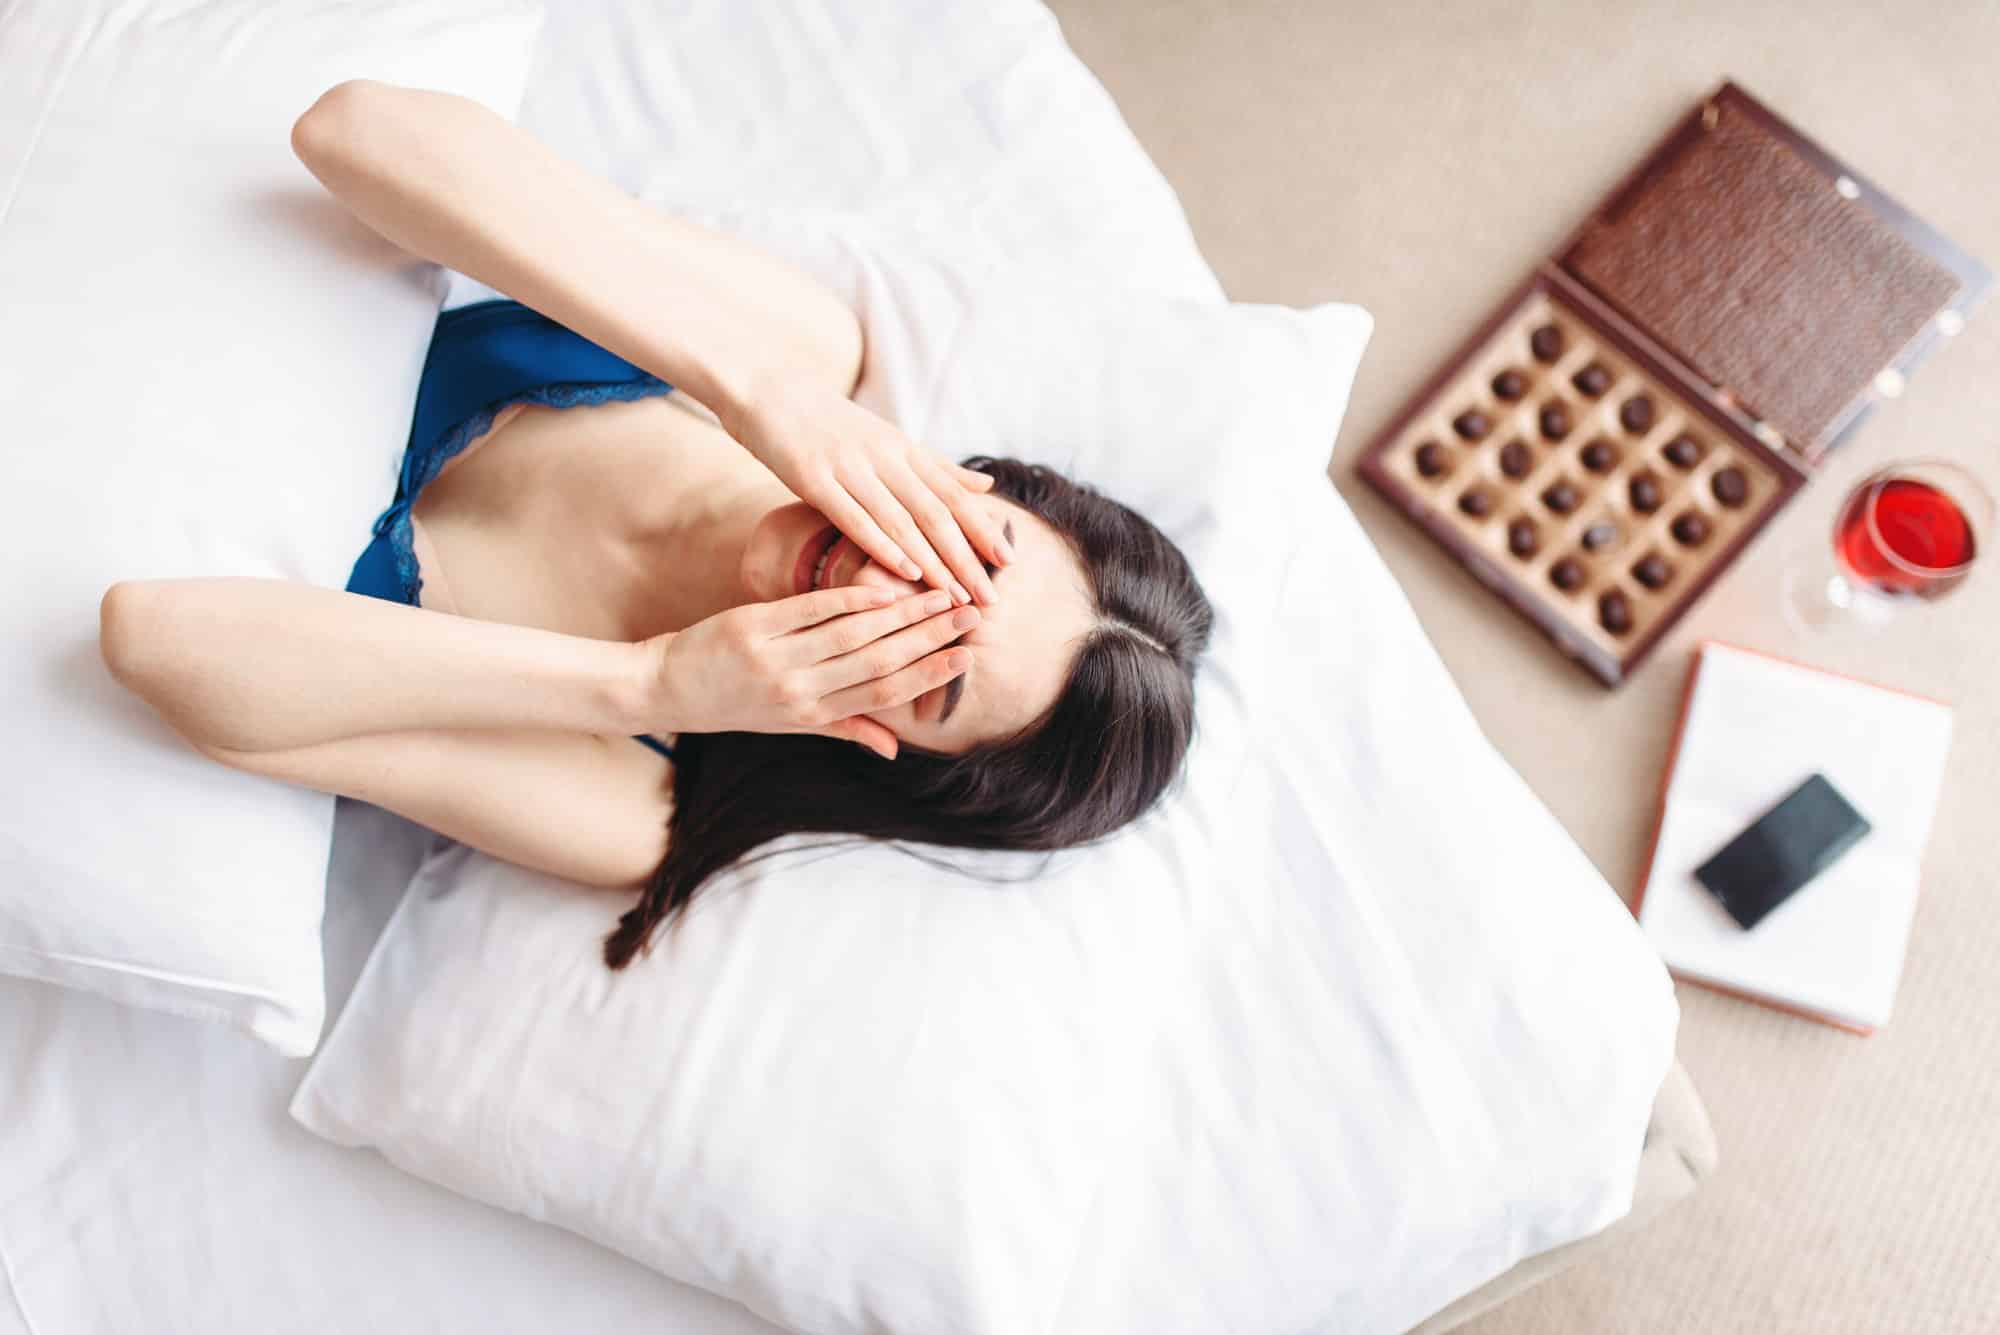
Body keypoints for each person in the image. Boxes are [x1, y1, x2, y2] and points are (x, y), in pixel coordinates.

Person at [97, 80, 1213, 969]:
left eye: (924, 673)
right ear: (975, 488)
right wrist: (754, 389)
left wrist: (646, 685)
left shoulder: (622, 802)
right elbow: (351, 131)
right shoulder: (797, 352)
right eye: (962, 559)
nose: (879, 591)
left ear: (890, 756)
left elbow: (155, 644)